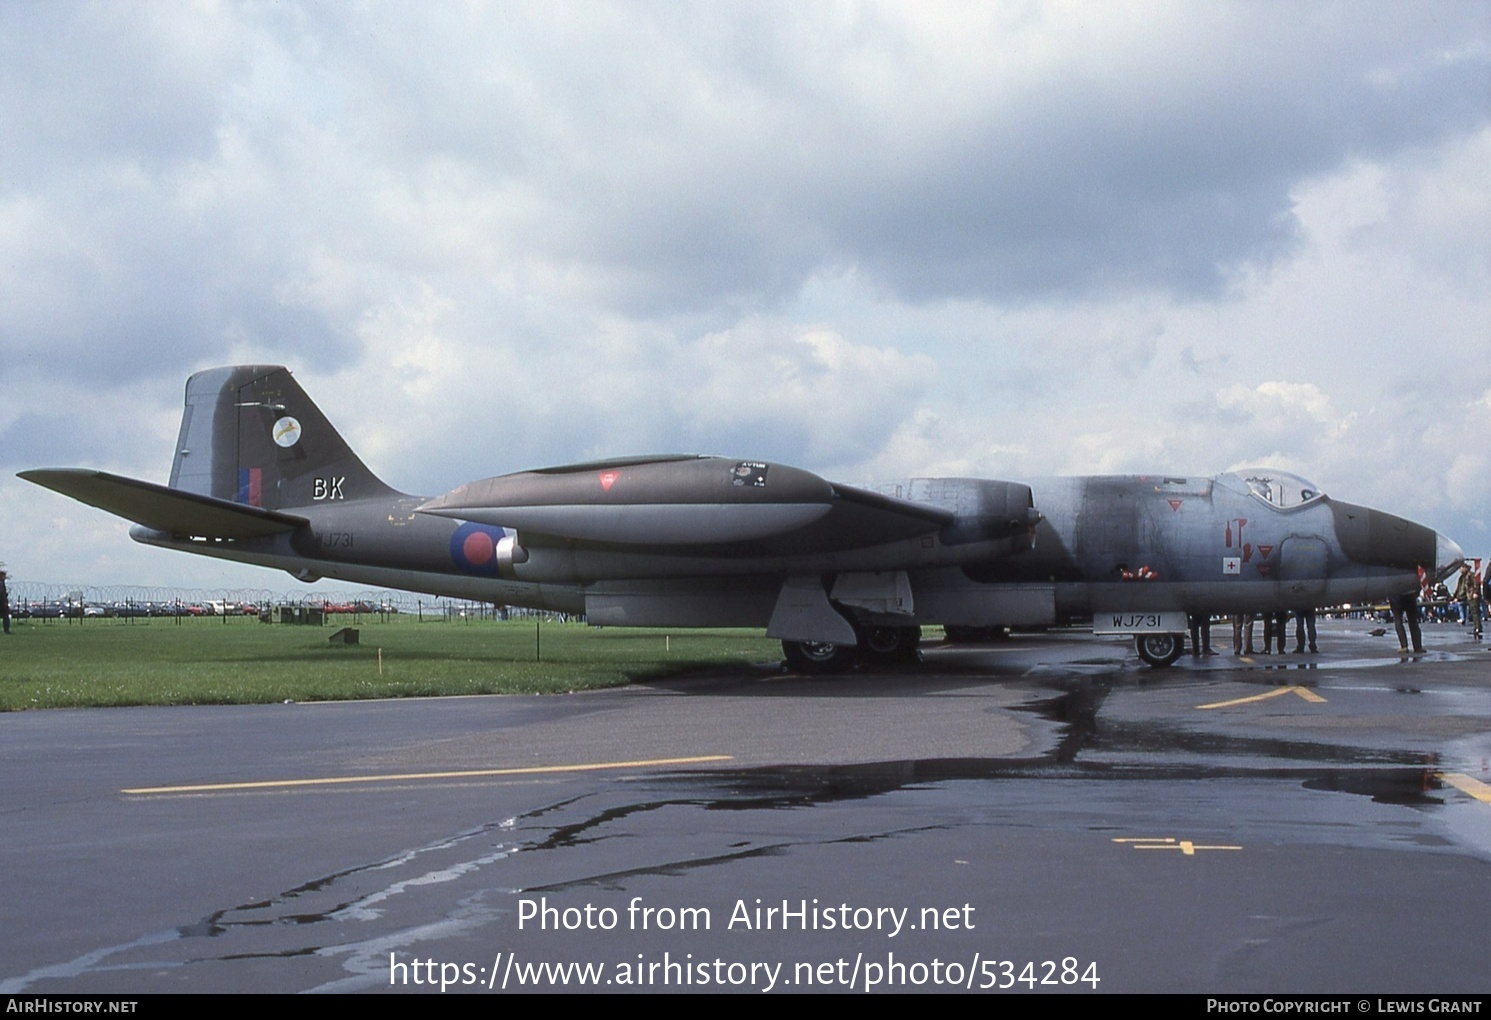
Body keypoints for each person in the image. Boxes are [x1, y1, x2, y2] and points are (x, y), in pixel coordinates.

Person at [1453, 564, 1482, 640]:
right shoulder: (1462, 577)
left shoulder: (1470, 575)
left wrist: (1476, 592)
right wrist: (1455, 597)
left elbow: (1476, 583)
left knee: (1475, 612)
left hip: (1472, 595)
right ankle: (1476, 627)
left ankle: (1478, 627)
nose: (1460, 570)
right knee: (1473, 612)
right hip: (1468, 596)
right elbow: (1459, 588)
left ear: (1465, 568)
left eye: (1461, 568)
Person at [1390, 589, 1424, 653]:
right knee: (1413, 621)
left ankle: (1404, 646)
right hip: (1409, 593)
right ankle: (1418, 647)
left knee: (1398, 621)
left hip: (1396, 595)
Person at [0, 569, 9, 636]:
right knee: (5, 615)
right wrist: (5, 601)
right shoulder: (1, 583)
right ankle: (6, 629)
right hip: (2, 602)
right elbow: (2, 593)